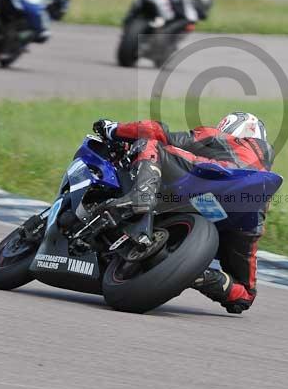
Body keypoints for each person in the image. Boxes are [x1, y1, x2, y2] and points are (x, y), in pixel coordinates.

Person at [93, 112, 274, 314]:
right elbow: (245, 296)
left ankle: (140, 197)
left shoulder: (219, 137)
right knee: (245, 292)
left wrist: (113, 129)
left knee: (149, 143)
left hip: (215, 176)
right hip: (238, 208)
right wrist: (188, 269)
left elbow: (157, 131)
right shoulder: (259, 195)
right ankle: (201, 275)